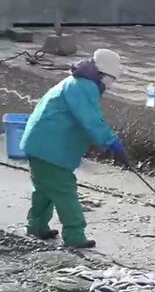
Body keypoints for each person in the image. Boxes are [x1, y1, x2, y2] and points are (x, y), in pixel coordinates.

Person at [20, 49, 131, 249]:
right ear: (101, 75)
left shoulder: (77, 82)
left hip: (39, 143)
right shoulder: (84, 87)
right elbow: (91, 120)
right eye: (110, 80)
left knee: (45, 189)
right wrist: (111, 142)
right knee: (64, 191)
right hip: (49, 148)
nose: (109, 86)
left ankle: (36, 226)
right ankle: (74, 235)